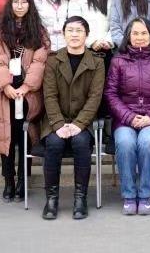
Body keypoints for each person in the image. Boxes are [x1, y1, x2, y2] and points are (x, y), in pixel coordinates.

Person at [0, 0, 49, 203]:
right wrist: (5, 86)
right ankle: (8, 180)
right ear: (10, 4)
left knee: (24, 137)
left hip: (28, 94)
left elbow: (40, 61)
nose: (20, 6)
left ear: (30, 5)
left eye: (24, 2)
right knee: (6, 137)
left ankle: (23, 181)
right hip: (4, 93)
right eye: (16, 2)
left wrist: (27, 86)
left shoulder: (38, 32)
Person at [105, 18, 150, 215]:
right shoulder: (118, 60)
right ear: (128, 36)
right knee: (126, 144)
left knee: (147, 143)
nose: (139, 37)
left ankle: (145, 194)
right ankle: (129, 195)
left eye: (144, 33)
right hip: (124, 119)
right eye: (135, 33)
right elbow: (110, 94)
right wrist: (129, 117)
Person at [41, 16, 105, 220]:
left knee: (81, 143)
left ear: (87, 35)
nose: (75, 34)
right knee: (54, 143)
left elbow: (95, 97)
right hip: (55, 121)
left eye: (79, 31)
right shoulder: (53, 60)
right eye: (70, 30)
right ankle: (51, 199)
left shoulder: (97, 62)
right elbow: (49, 95)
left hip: (83, 122)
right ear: (63, 34)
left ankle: (80, 198)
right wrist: (59, 124)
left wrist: (79, 124)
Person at [67, 0, 117, 64]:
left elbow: (116, 22)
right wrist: (92, 41)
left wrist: (108, 41)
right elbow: (75, 23)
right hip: (85, 47)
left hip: (107, 47)